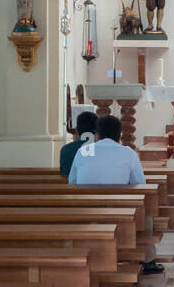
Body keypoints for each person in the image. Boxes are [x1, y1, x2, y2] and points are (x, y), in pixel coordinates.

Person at [69, 114, 164, 275]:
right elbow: (141, 185)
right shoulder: (128, 153)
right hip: (118, 211)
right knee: (146, 213)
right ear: (119, 135)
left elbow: (72, 181)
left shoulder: (84, 151)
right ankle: (147, 260)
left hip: (86, 209)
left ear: (97, 135)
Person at [59, 109, 97, 178]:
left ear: (76, 130)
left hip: (70, 187)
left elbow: (64, 173)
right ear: (97, 130)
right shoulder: (103, 149)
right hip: (98, 187)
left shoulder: (66, 149)